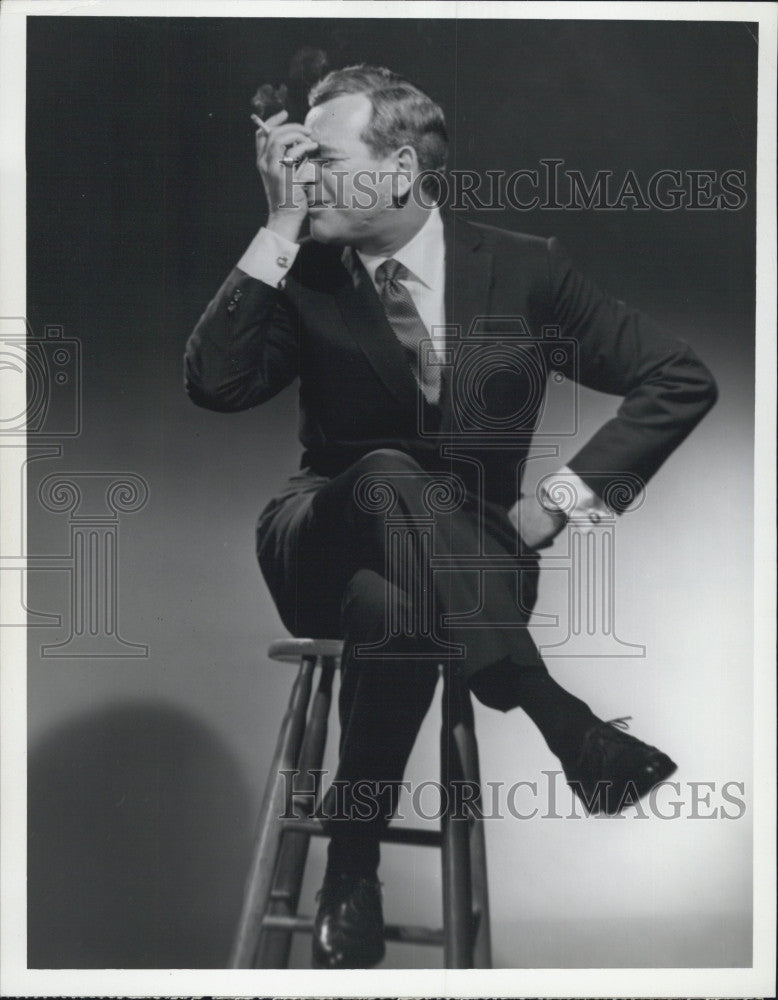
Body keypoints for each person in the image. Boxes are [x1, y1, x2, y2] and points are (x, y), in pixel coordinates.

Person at [184, 65, 717, 969]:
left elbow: (679, 378)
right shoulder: (304, 271)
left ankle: (350, 872)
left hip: (465, 568)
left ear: (398, 171)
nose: (300, 181)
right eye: (294, 166)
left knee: (394, 614)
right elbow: (217, 383)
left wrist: (562, 503)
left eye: (322, 162)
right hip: (324, 529)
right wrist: (278, 227)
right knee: (389, 470)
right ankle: (559, 717)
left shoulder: (525, 269)